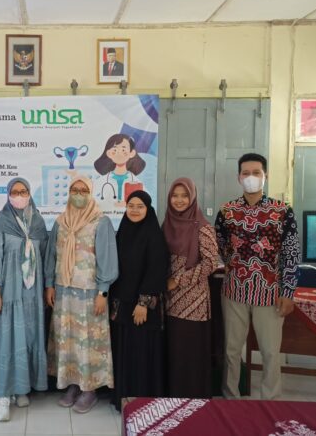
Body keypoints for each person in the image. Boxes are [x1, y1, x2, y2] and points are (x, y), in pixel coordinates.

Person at [215, 153, 300, 400]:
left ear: (265, 176)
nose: (250, 177)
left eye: (256, 173)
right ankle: (230, 397)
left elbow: (292, 253)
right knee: (231, 350)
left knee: (270, 352)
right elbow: (219, 244)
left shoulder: (282, 211)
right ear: (238, 177)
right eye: (246, 173)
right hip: (234, 291)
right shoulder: (227, 211)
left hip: (270, 293)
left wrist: (288, 292)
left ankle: (270, 400)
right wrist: (231, 265)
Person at [45, 176, 118, 414]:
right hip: (64, 291)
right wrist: (49, 285)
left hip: (90, 292)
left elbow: (107, 259)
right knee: (68, 339)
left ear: (90, 193)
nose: (78, 194)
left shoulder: (101, 221)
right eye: (74, 190)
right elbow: (52, 256)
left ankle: (90, 389)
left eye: (83, 190)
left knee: (89, 341)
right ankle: (73, 384)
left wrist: (103, 291)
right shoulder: (61, 221)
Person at [0, 178, 49, 422]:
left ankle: (21, 387)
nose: (19, 195)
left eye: (23, 191)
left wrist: (47, 286)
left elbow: (45, 257)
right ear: (8, 195)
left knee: (27, 338)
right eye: (14, 192)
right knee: (7, 339)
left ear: (29, 194)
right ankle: (3, 395)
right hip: (8, 291)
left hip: (32, 294)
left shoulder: (38, 223)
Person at [109, 190, 168, 411]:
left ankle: (142, 400)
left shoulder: (154, 235)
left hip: (143, 307)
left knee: (142, 352)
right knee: (125, 351)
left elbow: (156, 270)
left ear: (148, 209)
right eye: (131, 206)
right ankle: (123, 398)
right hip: (123, 305)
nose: (134, 210)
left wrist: (143, 303)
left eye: (140, 206)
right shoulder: (123, 232)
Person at [163, 178, 218, 398]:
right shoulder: (167, 223)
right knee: (174, 348)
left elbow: (210, 263)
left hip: (193, 300)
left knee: (190, 349)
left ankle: (193, 397)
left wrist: (179, 280)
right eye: (175, 196)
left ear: (192, 198)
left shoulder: (203, 227)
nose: (179, 200)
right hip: (169, 298)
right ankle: (173, 394)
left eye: (184, 196)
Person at [93, 134, 146, 203]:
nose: (119, 154)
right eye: (115, 150)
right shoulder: (101, 181)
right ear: (109, 153)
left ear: (132, 153)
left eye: (123, 150)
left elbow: (144, 201)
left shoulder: (136, 182)